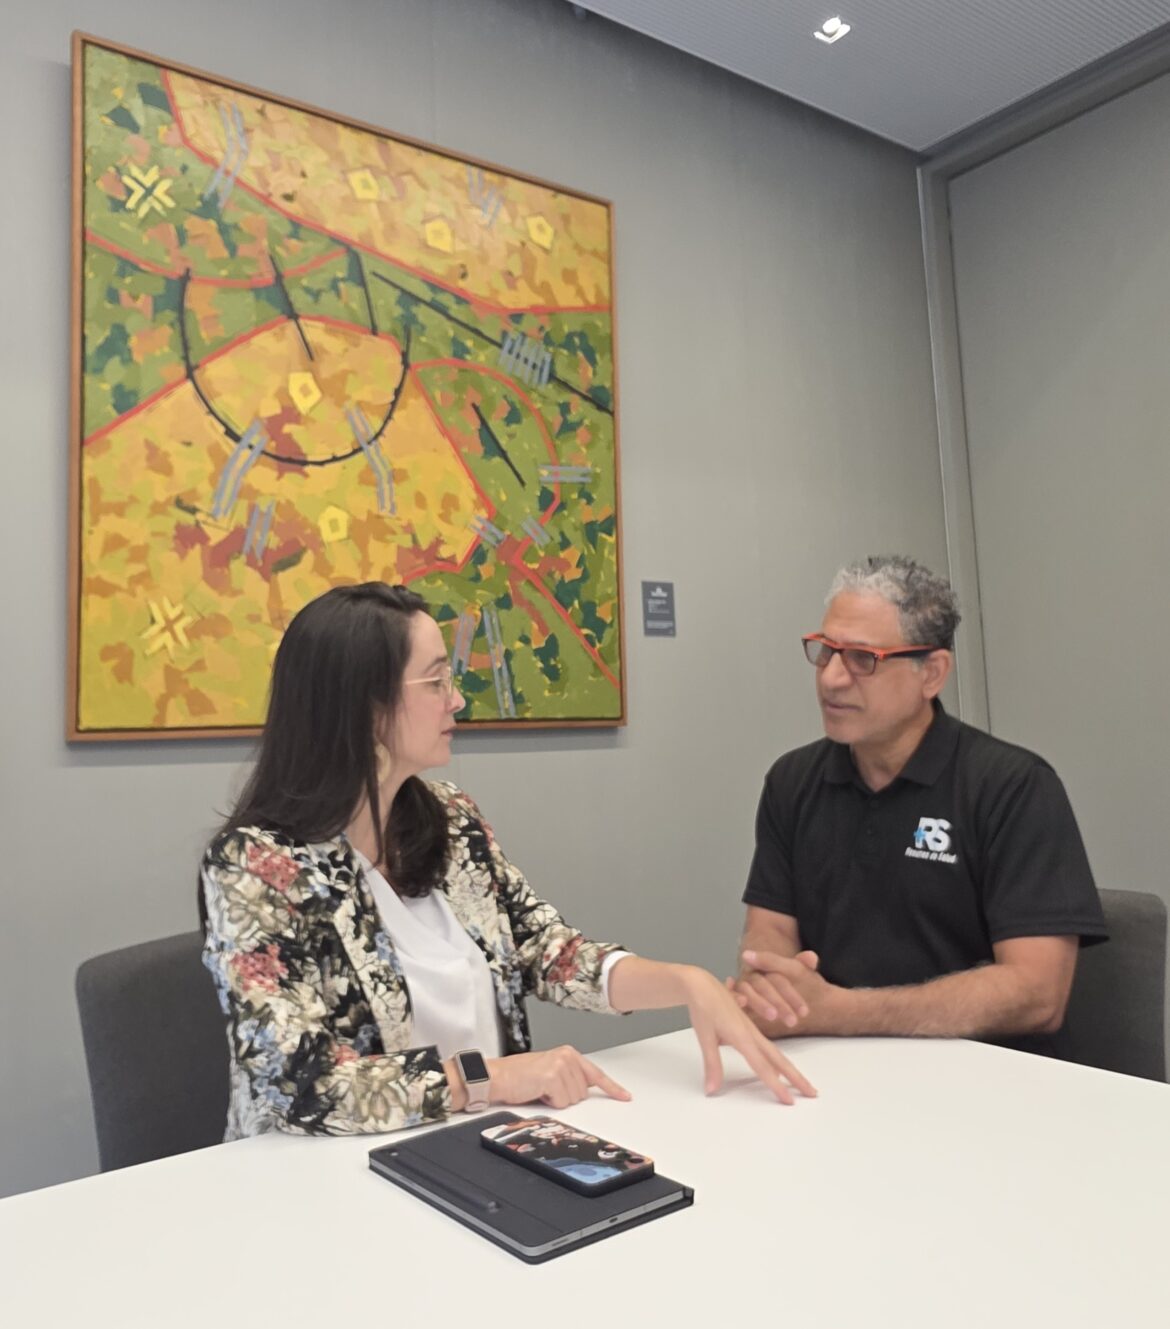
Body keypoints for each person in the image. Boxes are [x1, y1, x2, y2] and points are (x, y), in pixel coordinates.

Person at [201, 582, 814, 1139]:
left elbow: (547, 952)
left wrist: (687, 983)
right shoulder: (253, 866)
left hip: (484, 1143)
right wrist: (488, 1078)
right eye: (435, 682)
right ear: (365, 707)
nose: (456, 700)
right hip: (323, 1176)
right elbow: (299, 1083)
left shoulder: (449, 819)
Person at [732, 556, 1106, 1054]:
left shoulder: (1013, 786)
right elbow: (770, 930)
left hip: (984, 1074)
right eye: (825, 651)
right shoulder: (792, 781)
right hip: (832, 1062)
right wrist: (774, 987)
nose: (831, 678)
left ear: (932, 673)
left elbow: (1037, 995)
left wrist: (839, 1012)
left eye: (862, 658)